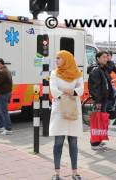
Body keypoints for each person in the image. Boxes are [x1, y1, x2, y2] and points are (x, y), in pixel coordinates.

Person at [49, 50, 84, 180]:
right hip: (59, 111)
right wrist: (69, 92)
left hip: (73, 110)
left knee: (73, 142)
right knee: (58, 142)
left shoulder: (77, 74)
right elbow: (53, 91)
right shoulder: (54, 73)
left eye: (59, 58)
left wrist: (68, 91)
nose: (56, 60)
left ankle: (75, 172)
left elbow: (81, 90)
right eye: (56, 58)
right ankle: (56, 173)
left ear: (67, 59)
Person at [88, 51, 113, 150]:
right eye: (103, 57)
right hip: (99, 100)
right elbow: (95, 88)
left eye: (107, 57)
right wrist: (97, 102)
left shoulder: (103, 69)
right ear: (98, 58)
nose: (106, 59)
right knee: (96, 122)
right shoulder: (95, 70)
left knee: (101, 121)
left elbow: (107, 82)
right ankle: (94, 143)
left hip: (103, 99)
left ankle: (98, 141)